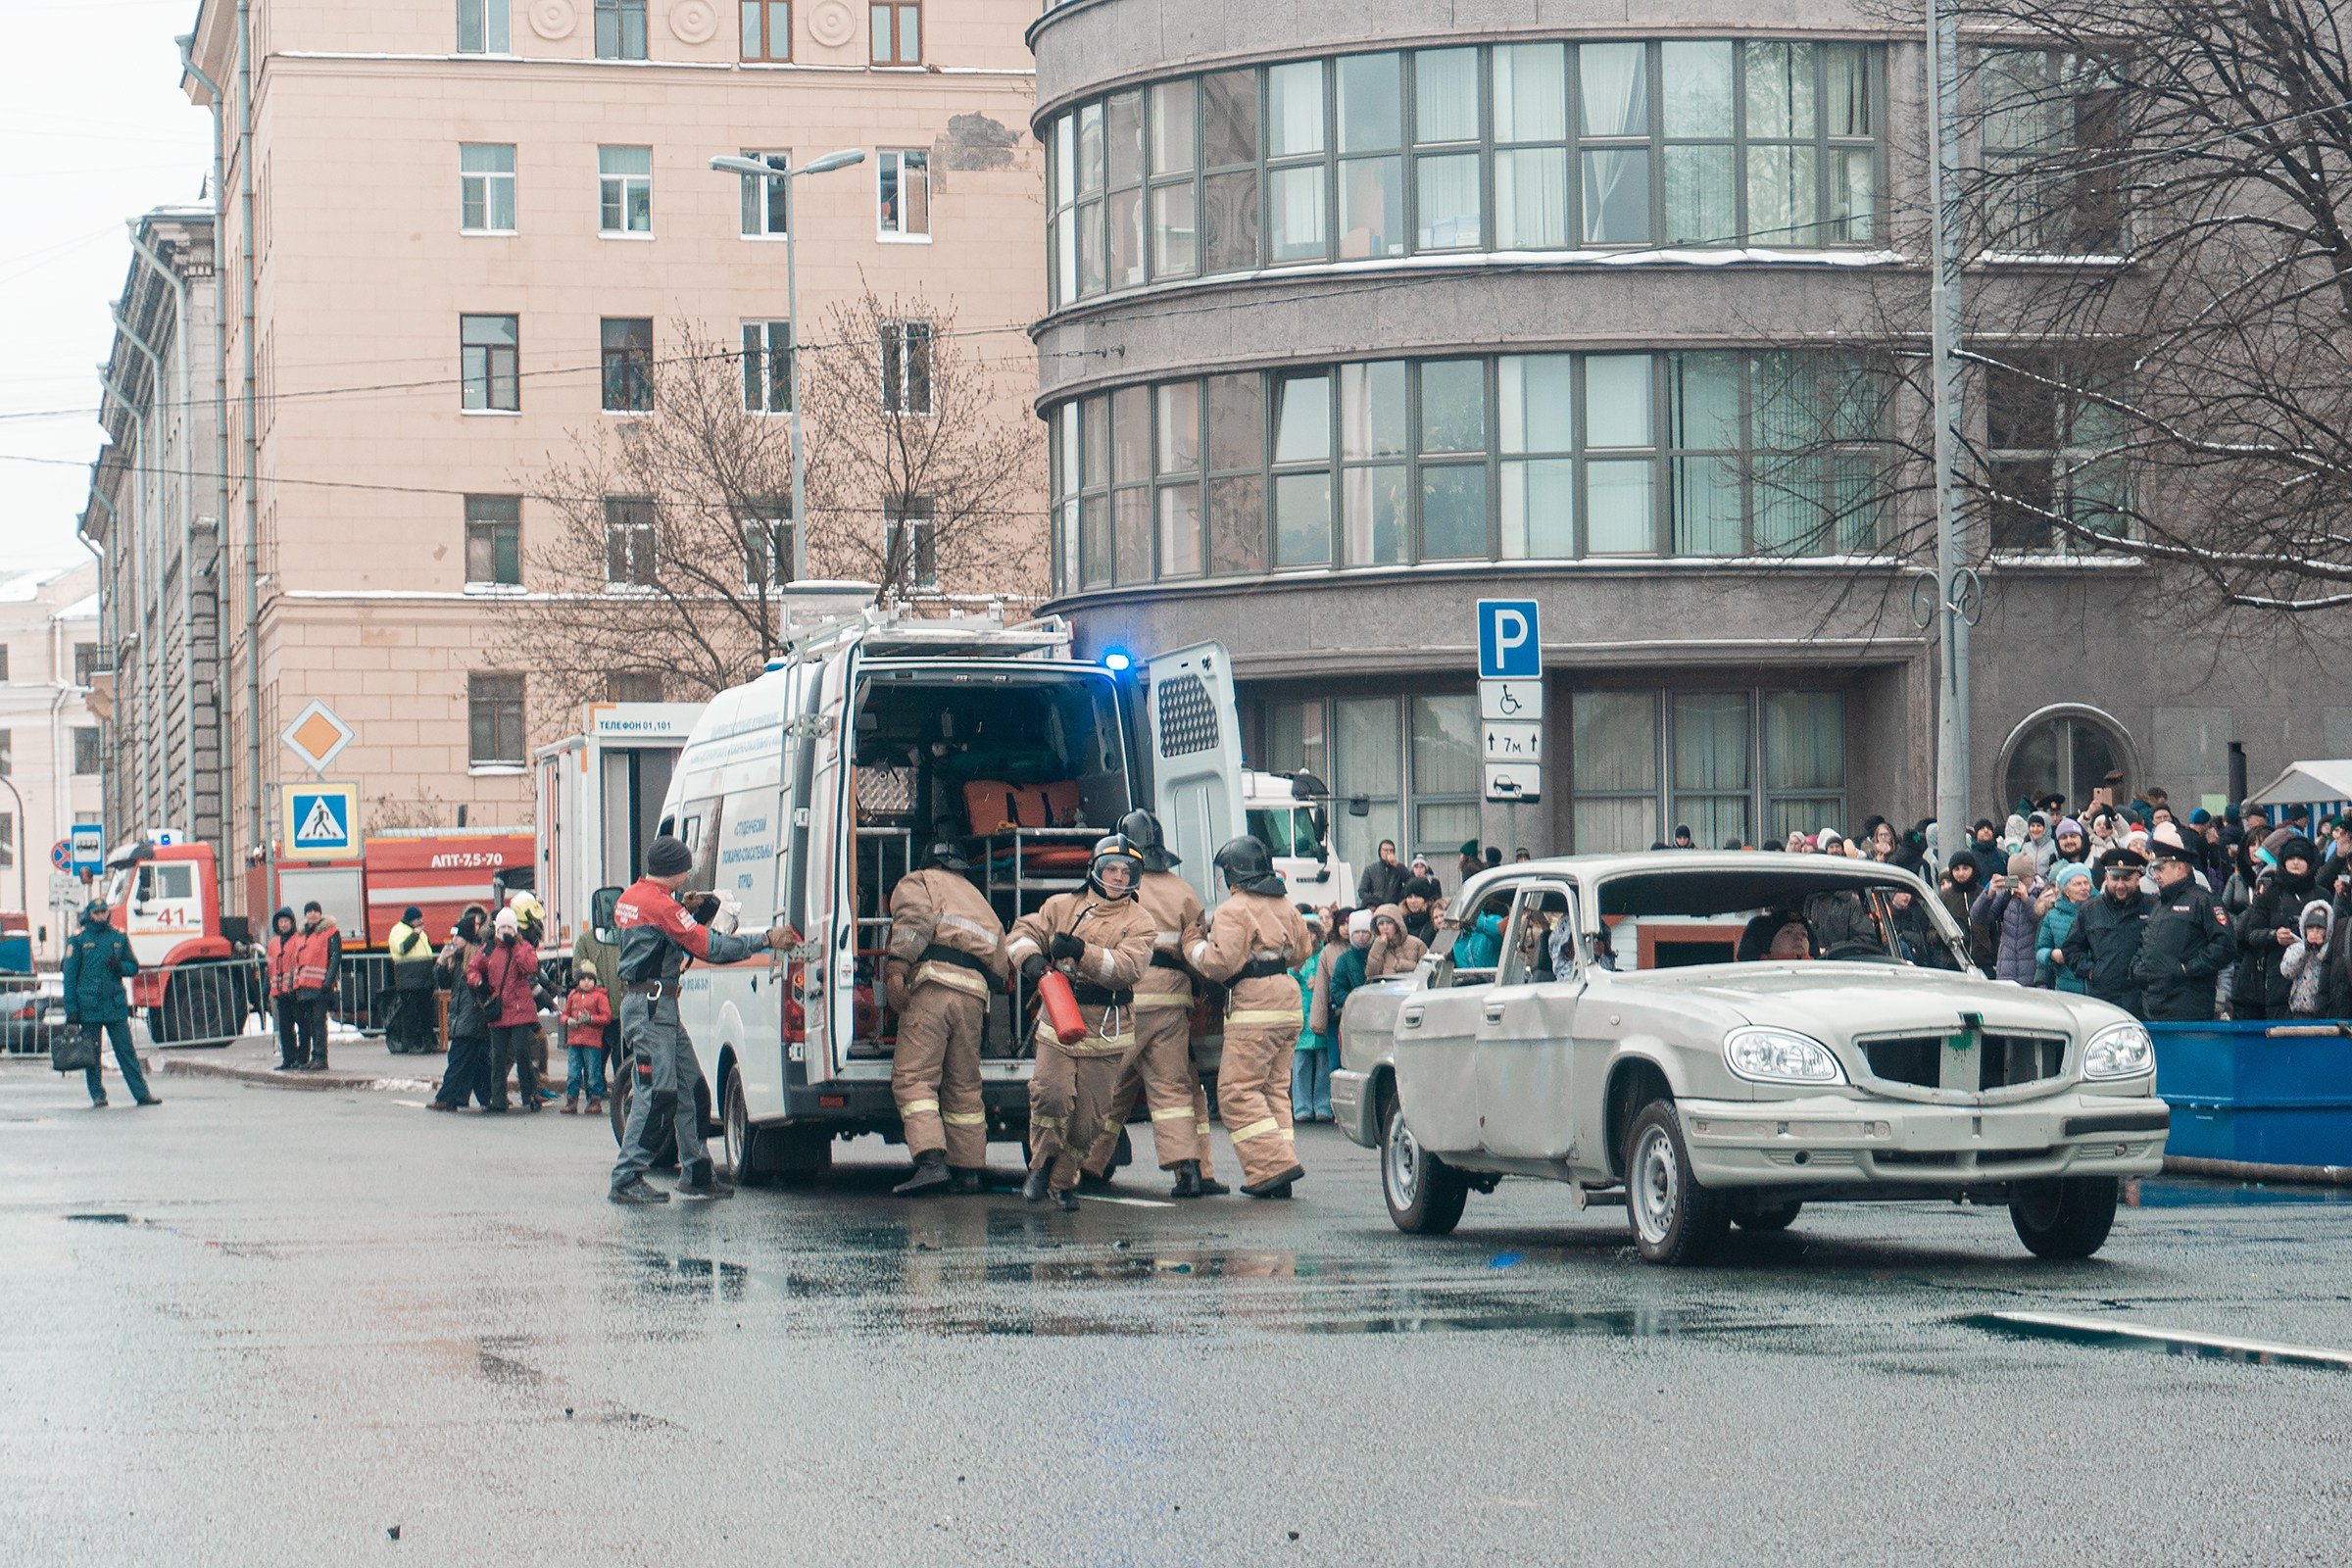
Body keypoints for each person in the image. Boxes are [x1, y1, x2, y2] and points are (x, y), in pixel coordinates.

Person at [609, 836, 795, 1204]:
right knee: (657, 1093)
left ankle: (696, 1172)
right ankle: (626, 1177)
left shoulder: (631, 897)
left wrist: (682, 912)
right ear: (676, 870)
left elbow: (661, 936)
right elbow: (711, 948)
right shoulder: (662, 907)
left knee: (693, 1089)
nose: (688, 874)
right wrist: (765, 940)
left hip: (653, 1005)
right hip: (652, 1008)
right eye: (686, 868)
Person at [1079, 812, 1225, 1199]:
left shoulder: (1116, 887)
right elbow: (1197, 948)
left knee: (1103, 1085)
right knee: (1172, 1089)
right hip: (1173, 1002)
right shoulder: (1184, 891)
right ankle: (1189, 1172)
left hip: (1126, 998)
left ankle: (1081, 1167)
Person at [1009, 835, 1156, 1211]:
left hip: (1106, 1028)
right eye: (1112, 869)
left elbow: (1127, 968)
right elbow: (1022, 933)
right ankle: (1040, 1166)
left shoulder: (1140, 922)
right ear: (1095, 869)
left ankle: (1063, 1180)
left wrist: (1081, 952)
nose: (1119, 878)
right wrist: (1030, 961)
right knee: (1052, 1095)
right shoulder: (1061, 906)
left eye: (1127, 872)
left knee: (1089, 1118)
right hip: (1059, 1020)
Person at [1188, 836, 1315, 1199]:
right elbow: (1301, 952)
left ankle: (1272, 1168)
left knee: (1236, 1092)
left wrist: (1193, 946)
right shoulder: (1286, 906)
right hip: (1287, 1001)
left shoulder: (1233, 910)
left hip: (1254, 1004)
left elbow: (1220, 963)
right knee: (1274, 1090)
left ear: (1233, 873)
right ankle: (1281, 1163)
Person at [883, 839, 1008, 1197]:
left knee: (914, 1078)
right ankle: (968, 1170)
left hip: (934, 984)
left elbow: (915, 920)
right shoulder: (978, 899)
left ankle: (930, 1162)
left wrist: (897, 967)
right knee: (964, 1085)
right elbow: (1000, 966)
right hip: (973, 995)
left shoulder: (919, 881)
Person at [60, 900, 157, 1108]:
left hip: (114, 1005)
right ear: (90, 914)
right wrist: (72, 1012)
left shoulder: (118, 937)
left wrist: (120, 967)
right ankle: (98, 1095)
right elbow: (69, 978)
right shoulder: (78, 940)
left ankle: (142, 1094)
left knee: (126, 1052)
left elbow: (133, 966)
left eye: (104, 911)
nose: (101, 916)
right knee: (91, 1055)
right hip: (89, 1006)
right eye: (97, 912)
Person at [2132, 830, 2235, 1022]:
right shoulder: (2159, 904)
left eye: (2160, 869)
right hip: (2153, 1005)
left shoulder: (2203, 901)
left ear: (2179, 868)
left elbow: (2225, 945)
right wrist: (2138, 968)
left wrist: (2188, 969)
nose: (2155, 875)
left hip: (2189, 1006)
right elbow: (2146, 943)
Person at [2233, 832, 2319, 1021]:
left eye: (2301, 858)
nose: (2296, 862)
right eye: (2291, 858)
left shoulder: (2320, 894)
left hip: (2315, 981)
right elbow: (2250, 934)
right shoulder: (2271, 894)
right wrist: (2274, 936)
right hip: (2278, 980)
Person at [469, 906, 542, 1112]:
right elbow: (472, 968)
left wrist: (515, 947)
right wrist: (479, 982)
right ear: (496, 928)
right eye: (503, 928)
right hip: (499, 1008)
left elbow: (530, 967)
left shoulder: (523, 946)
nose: (506, 932)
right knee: (498, 1056)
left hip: (519, 1009)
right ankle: (498, 1099)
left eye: (510, 928)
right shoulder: (489, 949)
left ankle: (529, 1095)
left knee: (522, 1052)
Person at [2067, 847, 2153, 1017]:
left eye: (2126, 879)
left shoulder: (2154, 908)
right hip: (2104, 999)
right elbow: (2071, 949)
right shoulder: (2090, 910)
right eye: (2115, 878)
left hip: (2144, 998)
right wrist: (2093, 971)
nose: (2120, 885)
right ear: (2106, 878)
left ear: (2138, 879)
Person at [427, 906, 499, 1112]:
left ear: (466, 939)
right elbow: (443, 983)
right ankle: (487, 1096)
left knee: (458, 1060)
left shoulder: (475, 959)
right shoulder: (457, 960)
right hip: (463, 1018)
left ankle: (447, 1098)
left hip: (471, 1018)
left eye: (457, 937)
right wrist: (441, 963)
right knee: (477, 1063)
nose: (453, 941)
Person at [1971, 853, 2043, 985]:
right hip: (2007, 968)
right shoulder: (2006, 896)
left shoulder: (2041, 893)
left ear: (2032, 876)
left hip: (2032, 969)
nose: (2019, 882)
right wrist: (1989, 893)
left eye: (2023, 878)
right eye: (2015, 879)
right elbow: (1978, 917)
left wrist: (2026, 899)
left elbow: (2042, 923)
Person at [1290, 913, 1334, 1124]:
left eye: (1312, 931)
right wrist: (1296, 972)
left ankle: (1322, 1105)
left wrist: (1320, 981)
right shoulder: (1294, 955)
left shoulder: (1324, 953)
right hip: (1299, 1012)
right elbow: (1287, 978)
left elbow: (1330, 975)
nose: (1309, 936)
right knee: (1300, 1063)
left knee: (1323, 1061)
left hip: (1319, 1014)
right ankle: (1301, 1106)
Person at [289, 901, 342, 1071]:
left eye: (315, 911)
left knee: (319, 1022)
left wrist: (328, 981)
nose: (312, 914)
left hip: (320, 987)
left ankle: (321, 1057)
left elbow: (335, 957)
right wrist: (292, 984)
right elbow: (295, 962)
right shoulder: (301, 935)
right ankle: (314, 1057)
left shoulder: (330, 932)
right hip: (304, 986)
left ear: (320, 914)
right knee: (310, 1023)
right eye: (309, 911)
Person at [560, 960, 612, 1115]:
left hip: (592, 1042)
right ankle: (572, 1100)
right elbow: (564, 1014)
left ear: (595, 981)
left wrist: (590, 1019)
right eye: (583, 979)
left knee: (593, 1073)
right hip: (574, 1042)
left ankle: (594, 1101)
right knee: (573, 1073)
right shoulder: (573, 995)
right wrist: (567, 1020)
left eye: (590, 979)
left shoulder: (599, 997)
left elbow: (606, 1017)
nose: (586, 982)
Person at [384, 905, 436, 1054]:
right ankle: (411, 1043)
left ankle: (428, 1041)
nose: (420, 921)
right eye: (418, 919)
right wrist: (415, 935)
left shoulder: (420, 933)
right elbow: (402, 949)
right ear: (410, 920)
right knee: (410, 1013)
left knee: (426, 1011)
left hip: (424, 978)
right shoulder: (399, 931)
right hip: (408, 979)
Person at [2037, 864, 2093, 992]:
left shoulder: (2098, 911)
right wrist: (2052, 955)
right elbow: (2040, 951)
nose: (2083, 887)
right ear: (2065, 890)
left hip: (2096, 988)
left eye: (2086, 883)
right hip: (2066, 987)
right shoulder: (2053, 916)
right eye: (2077, 884)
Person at [2281, 901, 2333, 1019]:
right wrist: (2306, 950)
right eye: (2310, 927)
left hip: (2325, 1013)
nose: (2314, 932)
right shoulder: (2297, 948)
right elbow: (2287, 971)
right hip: (2300, 1012)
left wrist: (2320, 948)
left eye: (2320, 928)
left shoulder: (2331, 950)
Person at [266, 906, 302, 1071]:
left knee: (302, 1025)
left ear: (292, 922)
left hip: (294, 990)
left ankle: (301, 1058)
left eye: (287, 921)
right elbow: (270, 966)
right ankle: (288, 1058)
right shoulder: (273, 943)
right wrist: (267, 987)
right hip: (279, 992)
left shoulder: (297, 940)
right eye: (281, 921)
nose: (284, 924)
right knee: (285, 1028)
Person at [1365, 904, 1427, 978]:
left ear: (1396, 925)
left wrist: (1404, 965)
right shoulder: (1377, 947)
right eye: (1381, 924)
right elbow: (1370, 975)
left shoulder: (1417, 944)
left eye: (1389, 923)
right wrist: (1379, 947)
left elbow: (1427, 972)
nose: (1385, 927)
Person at [1356, 839, 1407, 910]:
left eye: (1391, 850)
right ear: (1380, 852)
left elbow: (1409, 881)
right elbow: (1362, 891)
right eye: (1385, 850)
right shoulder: (1370, 869)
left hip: (1394, 908)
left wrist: (1396, 865)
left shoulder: (1399, 868)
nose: (1388, 853)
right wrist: (1373, 902)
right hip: (1375, 909)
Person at [1398, 878, 1440, 948]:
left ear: (1425, 900)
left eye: (1417, 896)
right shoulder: (1401, 921)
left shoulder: (1433, 921)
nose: (1413, 901)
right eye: (1409, 897)